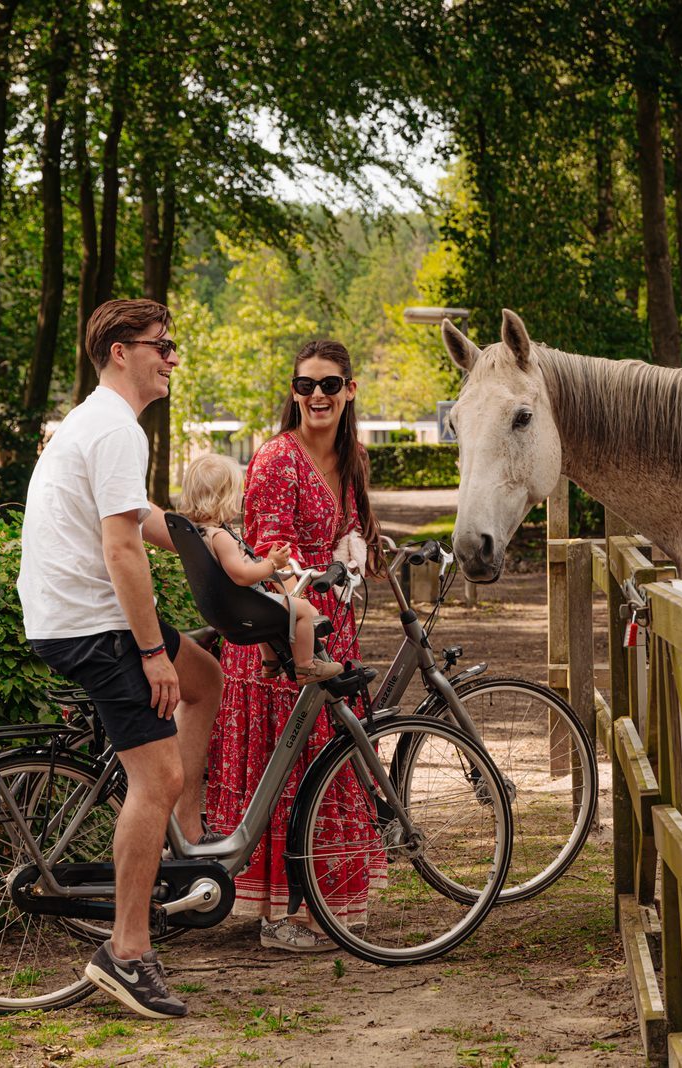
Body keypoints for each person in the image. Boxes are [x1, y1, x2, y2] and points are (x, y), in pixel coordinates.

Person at [17, 298, 223, 1019]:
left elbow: (145, 519)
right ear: (118, 353)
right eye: (160, 346)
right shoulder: (115, 429)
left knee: (207, 677)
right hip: (93, 626)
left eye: (172, 345)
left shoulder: (101, 423)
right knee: (157, 771)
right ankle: (127, 951)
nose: (171, 357)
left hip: (78, 615)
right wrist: (148, 652)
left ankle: (186, 839)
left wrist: (219, 547)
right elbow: (120, 546)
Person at [205, 339, 384, 952]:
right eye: (304, 385)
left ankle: (322, 901)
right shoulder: (277, 458)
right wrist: (307, 591)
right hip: (282, 632)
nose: (316, 396)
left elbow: (351, 526)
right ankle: (288, 913)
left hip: (332, 621)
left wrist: (352, 550)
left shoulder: (353, 456)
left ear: (350, 390)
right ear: (293, 392)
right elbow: (269, 548)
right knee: (291, 769)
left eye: (329, 384)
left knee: (328, 762)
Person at [178, 453, 344, 683]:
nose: (242, 497)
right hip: (245, 605)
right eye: (238, 493)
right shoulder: (220, 537)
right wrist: (272, 564)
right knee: (303, 609)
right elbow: (242, 575)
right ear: (224, 498)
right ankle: (306, 666)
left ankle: (270, 663)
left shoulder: (201, 532)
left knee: (269, 619)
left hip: (233, 606)